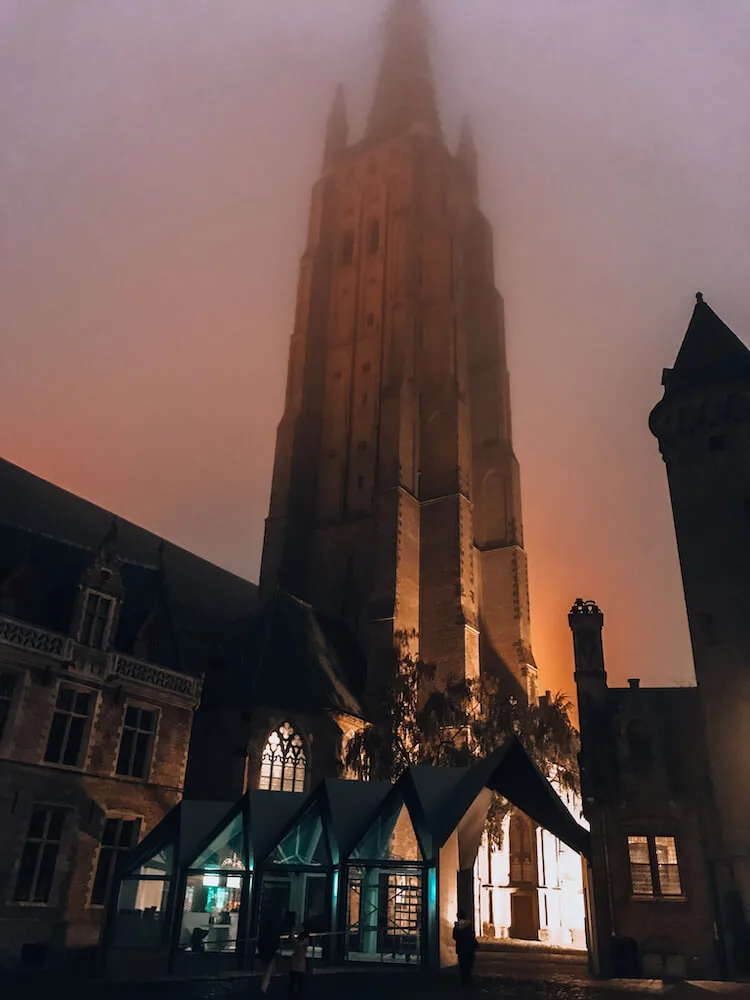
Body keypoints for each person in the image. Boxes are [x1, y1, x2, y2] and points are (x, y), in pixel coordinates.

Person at [257, 911, 285, 995]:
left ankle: (264, 986)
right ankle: (265, 986)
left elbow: (260, 942)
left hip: (264, 952)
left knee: (265, 969)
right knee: (269, 970)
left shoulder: (264, 932)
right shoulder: (274, 933)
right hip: (270, 953)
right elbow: (276, 943)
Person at [453, 910, 478, 988]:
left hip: (461, 949)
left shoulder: (456, 927)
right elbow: (472, 936)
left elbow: (454, 937)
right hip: (469, 949)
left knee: (462, 966)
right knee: (469, 966)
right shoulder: (469, 926)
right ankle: (469, 980)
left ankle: (463, 982)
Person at [288, 925, 311, 998]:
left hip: (296, 965)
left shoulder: (301, 943)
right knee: (300, 985)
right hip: (300, 966)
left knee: (295, 984)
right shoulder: (304, 942)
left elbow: (296, 943)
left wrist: (292, 934)